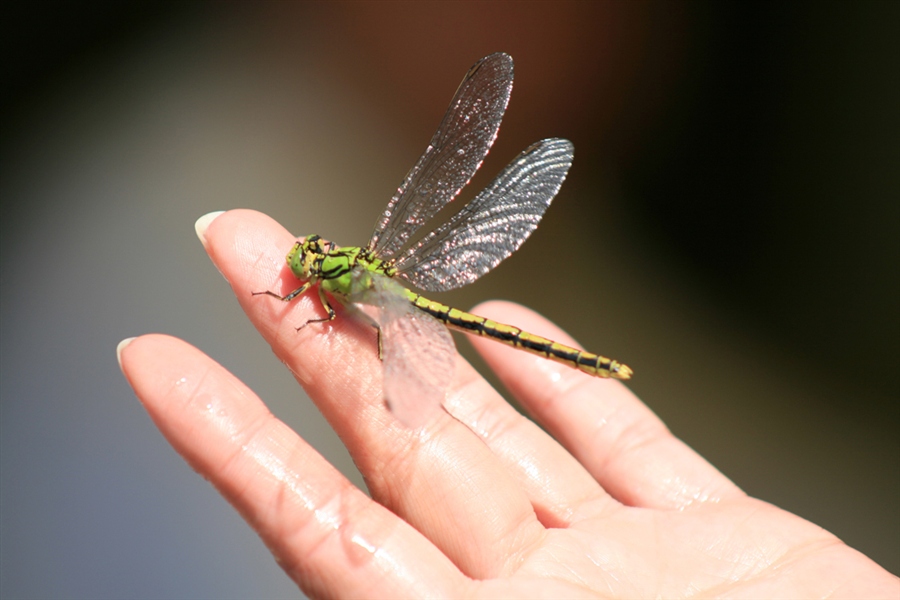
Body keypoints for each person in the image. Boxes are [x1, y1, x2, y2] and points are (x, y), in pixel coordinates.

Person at [117, 210, 897, 598]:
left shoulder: (338, 287)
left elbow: (348, 323)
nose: (305, 267)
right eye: (309, 266)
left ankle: (591, 364)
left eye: (312, 264)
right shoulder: (341, 271)